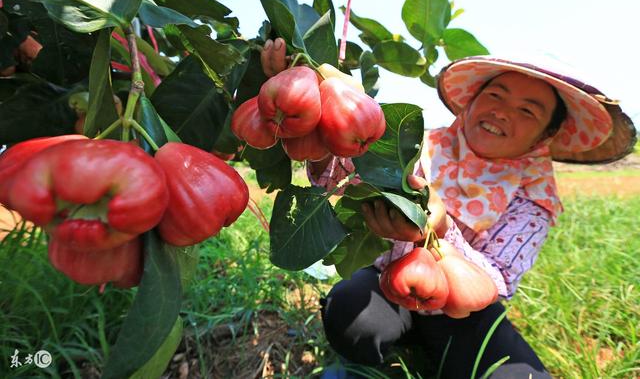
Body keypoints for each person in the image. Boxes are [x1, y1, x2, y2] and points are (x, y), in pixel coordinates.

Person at [260, 39, 637, 378]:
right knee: (350, 315)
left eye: (528, 111)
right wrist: (302, 95)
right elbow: (338, 176)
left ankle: (431, 346)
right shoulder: (413, 145)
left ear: (546, 135)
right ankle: (385, 353)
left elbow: (497, 277)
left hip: (465, 314)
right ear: (472, 100)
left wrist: (440, 232)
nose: (503, 112)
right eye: (496, 96)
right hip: (384, 281)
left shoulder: (533, 196)